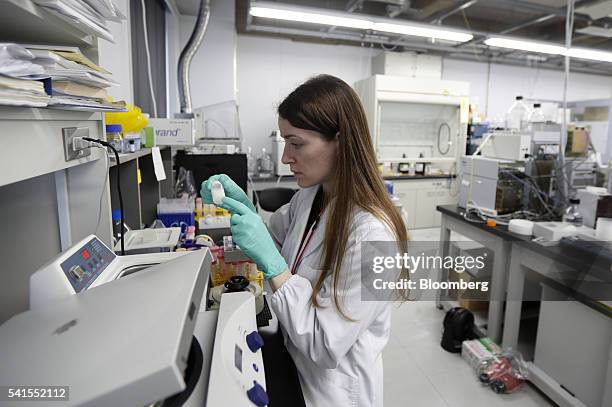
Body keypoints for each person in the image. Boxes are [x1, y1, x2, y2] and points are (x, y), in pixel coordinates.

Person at [201, 74, 408, 407]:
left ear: (340, 142)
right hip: (293, 364)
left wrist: (274, 265)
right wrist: (242, 206)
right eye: (285, 142)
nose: (286, 157)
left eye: (296, 143)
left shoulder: (375, 236)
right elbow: (270, 240)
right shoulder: (311, 197)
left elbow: (326, 345)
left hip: (331, 392)